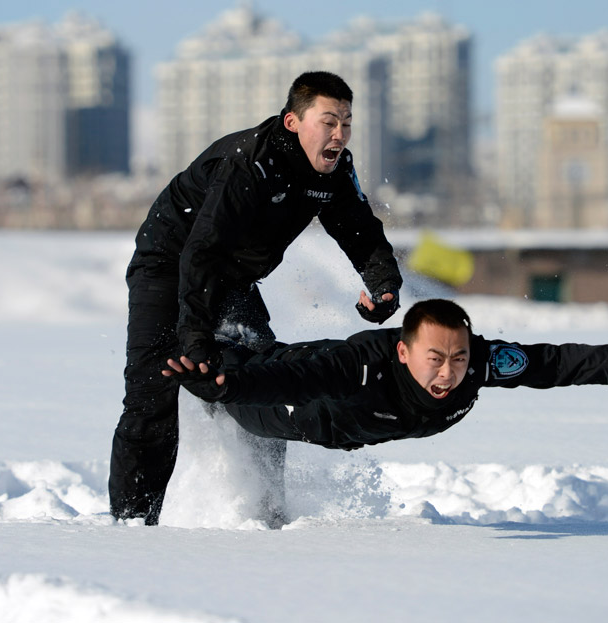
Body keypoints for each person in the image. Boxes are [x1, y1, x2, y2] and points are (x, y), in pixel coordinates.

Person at [110, 71, 403, 525]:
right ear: (293, 122)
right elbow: (200, 253)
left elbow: (359, 229)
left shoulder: (335, 169)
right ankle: (129, 524)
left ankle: (264, 511)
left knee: (266, 382)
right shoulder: (249, 164)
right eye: (328, 122)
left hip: (231, 277)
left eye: (346, 122)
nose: (339, 134)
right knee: (154, 392)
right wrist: (195, 336)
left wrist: (384, 283)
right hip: (168, 266)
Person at [164, 298, 608, 454]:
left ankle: (229, 320)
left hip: (341, 417)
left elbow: (558, 364)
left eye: (458, 358)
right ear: (405, 354)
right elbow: (295, 383)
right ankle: (201, 343)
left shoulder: (480, 362)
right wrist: (226, 388)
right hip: (308, 411)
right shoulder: (366, 364)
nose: (450, 372)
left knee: (260, 351)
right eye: (436, 358)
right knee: (242, 378)